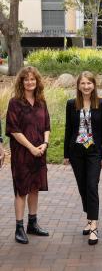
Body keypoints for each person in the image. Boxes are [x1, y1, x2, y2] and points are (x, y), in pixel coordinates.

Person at [64, 71, 102, 245]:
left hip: (94, 151)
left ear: (94, 85)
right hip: (76, 152)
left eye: (89, 83)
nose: (86, 86)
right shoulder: (71, 104)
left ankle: (94, 228)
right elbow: (68, 129)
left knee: (92, 186)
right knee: (83, 187)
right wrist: (66, 154)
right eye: (82, 83)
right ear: (78, 86)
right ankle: (90, 218)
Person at [6, 66, 50, 244]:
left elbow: (47, 126)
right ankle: (19, 228)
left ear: (37, 81)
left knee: (34, 188)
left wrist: (45, 144)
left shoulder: (41, 102)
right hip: (22, 153)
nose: (30, 82)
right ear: (21, 82)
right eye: (26, 79)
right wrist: (31, 147)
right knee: (21, 190)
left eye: (33, 79)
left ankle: (33, 223)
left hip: (39, 152)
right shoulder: (15, 103)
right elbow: (14, 130)